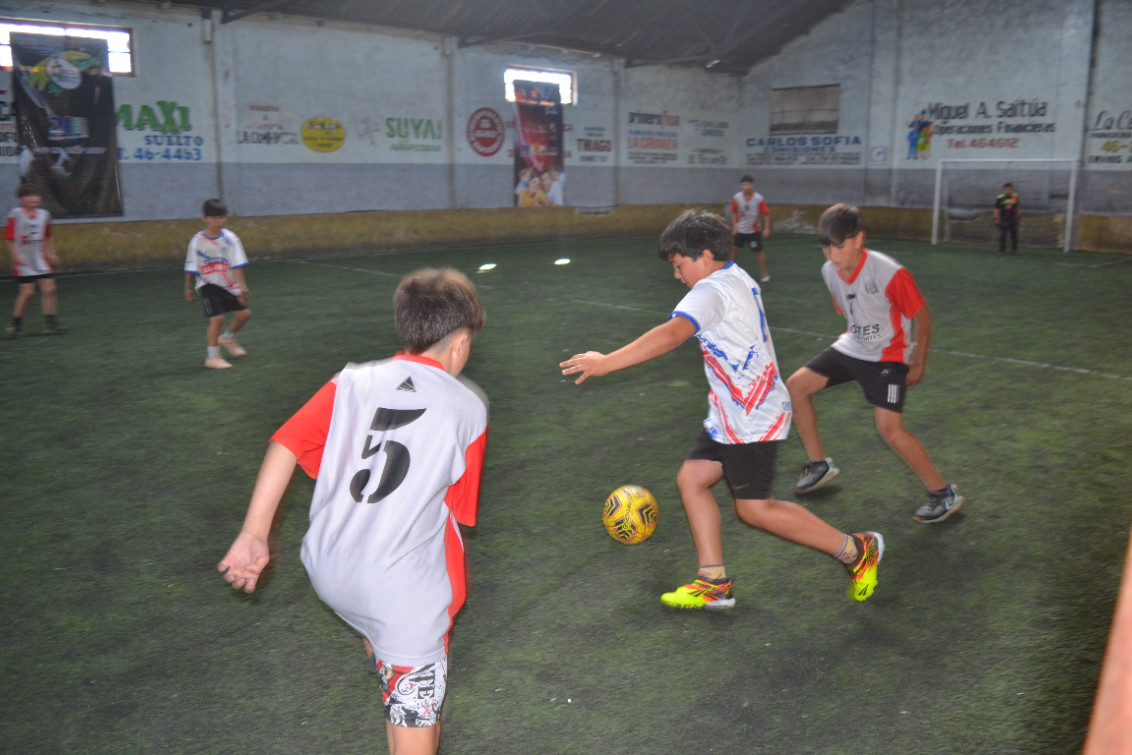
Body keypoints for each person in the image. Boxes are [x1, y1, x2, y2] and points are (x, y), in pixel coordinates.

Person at [218, 267, 488, 755]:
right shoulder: (468, 408)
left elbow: (286, 443)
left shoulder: (350, 381)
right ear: (462, 342)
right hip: (400, 594)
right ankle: (406, 683)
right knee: (417, 731)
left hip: (329, 568)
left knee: (384, 632)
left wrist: (254, 533)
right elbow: (456, 512)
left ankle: (391, 668)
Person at [560, 209, 882, 610]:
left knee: (755, 510)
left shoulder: (711, 291)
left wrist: (607, 362)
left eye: (679, 265)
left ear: (705, 256)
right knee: (692, 480)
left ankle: (856, 550)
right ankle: (712, 581)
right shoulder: (734, 276)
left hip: (752, 416)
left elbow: (673, 334)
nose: (677, 275)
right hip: (731, 411)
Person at [786, 203, 964, 524]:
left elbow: (922, 316)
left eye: (839, 246)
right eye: (826, 247)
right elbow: (852, 313)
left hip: (889, 354)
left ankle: (943, 494)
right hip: (853, 346)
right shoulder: (829, 272)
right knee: (796, 387)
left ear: (859, 239)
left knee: (889, 429)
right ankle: (819, 464)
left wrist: (917, 362)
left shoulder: (889, 272)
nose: (833, 255)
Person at [184, 199, 251, 369]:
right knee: (217, 318)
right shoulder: (197, 241)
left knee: (244, 315)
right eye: (214, 218)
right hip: (207, 283)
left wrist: (242, 287)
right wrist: (188, 287)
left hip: (228, 283)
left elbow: (237, 266)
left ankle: (227, 338)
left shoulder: (231, 239)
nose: (218, 221)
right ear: (205, 218)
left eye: (221, 217)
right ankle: (212, 357)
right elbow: (190, 266)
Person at [5, 185, 65, 338]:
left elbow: (47, 236)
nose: (33, 198)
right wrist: (16, 256)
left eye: (35, 195)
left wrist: (51, 252)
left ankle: (50, 325)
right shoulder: (16, 214)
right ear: (21, 199)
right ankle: (15, 326)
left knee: (49, 289)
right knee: (27, 293)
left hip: (40, 259)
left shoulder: (44, 214)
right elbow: (8, 239)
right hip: (24, 261)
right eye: (28, 196)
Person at [729, 174, 772, 282]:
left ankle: (764, 274)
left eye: (748, 184)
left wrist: (766, 228)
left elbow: (766, 213)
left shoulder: (758, 199)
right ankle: (731, 273)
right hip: (740, 229)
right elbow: (734, 212)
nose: (746, 187)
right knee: (734, 249)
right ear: (741, 186)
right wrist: (735, 226)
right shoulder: (737, 198)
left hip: (754, 230)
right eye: (744, 184)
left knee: (758, 251)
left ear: (752, 185)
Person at [994, 182, 1020, 256]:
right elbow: (996, 209)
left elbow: (1017, 208)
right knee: (1002, 236)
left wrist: (1018, 218)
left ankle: (1014, 250)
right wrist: (996, 219)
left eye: (1009, 189)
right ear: (1004, 190)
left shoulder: (1015, 197)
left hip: (1013, 219)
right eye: (1006, 190)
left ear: (1012, 190)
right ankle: (1002, 251)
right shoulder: (1000, 198)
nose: (1008, 191)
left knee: (1014, 236)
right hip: (1003, 220)